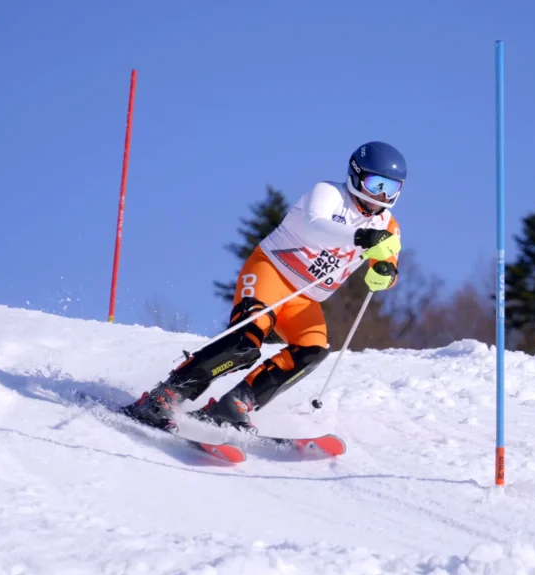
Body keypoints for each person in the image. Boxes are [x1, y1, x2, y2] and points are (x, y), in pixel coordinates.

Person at [120, 141, 406, 433]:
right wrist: (361, 237)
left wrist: (384, 272)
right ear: (356, 176)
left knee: (313, 351)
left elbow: (389, 266)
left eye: (391, 189)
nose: (382, 195)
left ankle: (235, 405)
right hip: (271, 272)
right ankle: (163, 397)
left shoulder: (388, 226)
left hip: (305, 299)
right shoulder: (330, 193)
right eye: (376, 184)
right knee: (244, 344)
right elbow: (312, 226)